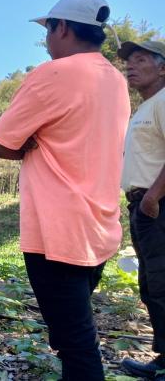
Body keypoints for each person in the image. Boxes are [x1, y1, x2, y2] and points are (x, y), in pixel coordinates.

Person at [0, 0, 129, 380]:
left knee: (77, 343)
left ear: (62, 27)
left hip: (56, 228)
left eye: (48, 30)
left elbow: (0, 144)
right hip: (99, 227)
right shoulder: (116, 79)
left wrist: (30, 144)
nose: (46, 40)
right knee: (72, 332)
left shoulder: (54, 73)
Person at [118, 40, 165, 380]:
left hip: (157, 205)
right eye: (128, 61)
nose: (130, 66)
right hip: (142, 205)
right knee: (152, 283)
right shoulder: (146, 107)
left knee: (162, 281)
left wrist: (153, 196)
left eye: (140, 59)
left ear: (162, 67)